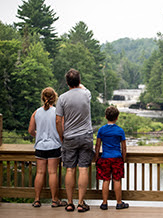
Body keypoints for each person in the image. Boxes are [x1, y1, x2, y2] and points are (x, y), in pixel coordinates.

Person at [55, 69, 94, 212]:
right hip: (85, 136)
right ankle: (81, 203)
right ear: (79, 81)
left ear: (67, 83)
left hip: (69, 137)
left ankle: (70, 202)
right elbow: (83, 88)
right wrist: (79, 84)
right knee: (83, 169)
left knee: (70, 169)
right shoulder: (86, 94)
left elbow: (58, 120)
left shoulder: (62, 98)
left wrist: (62, 136)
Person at [28, 87, 67, 208]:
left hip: (40, 146)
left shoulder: (36, 112)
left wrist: (37, 135)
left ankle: (37, 199)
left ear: (42, 98)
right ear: (54, 98)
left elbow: (30, 130)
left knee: (40, 172)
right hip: (54, 146)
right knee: (53, 173)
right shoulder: (57, 113)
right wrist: (60, 138)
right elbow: (62, 129)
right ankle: (55, 200)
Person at [94, 106, 129, 210]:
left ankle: (104, 203)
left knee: (106, 180)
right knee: (117, 180)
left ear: (106, 117)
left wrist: (96, 157)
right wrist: (124, 158)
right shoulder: (120, 131)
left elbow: (97, 145)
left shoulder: (101, 130)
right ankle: (119, 203)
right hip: (117, 158)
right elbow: (124, 147)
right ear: (117, 117)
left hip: (105, 158)